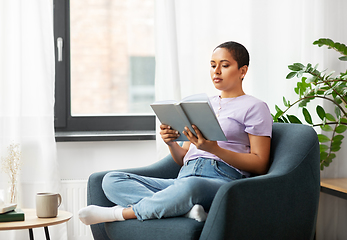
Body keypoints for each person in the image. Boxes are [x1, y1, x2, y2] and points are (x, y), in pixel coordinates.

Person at [78, 41, 273, 225]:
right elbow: (182, 158)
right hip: (183, 177)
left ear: (243, 71)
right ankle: (182, 208)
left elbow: (260, 164)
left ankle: (119, 214)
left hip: (222, 179)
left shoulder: (255, 107)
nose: (217, 71)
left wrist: (214, 149)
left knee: (190, 188)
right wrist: (171, 143)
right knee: (112, 180)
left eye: (225, 65)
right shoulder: (202, 105)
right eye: (213, 65)